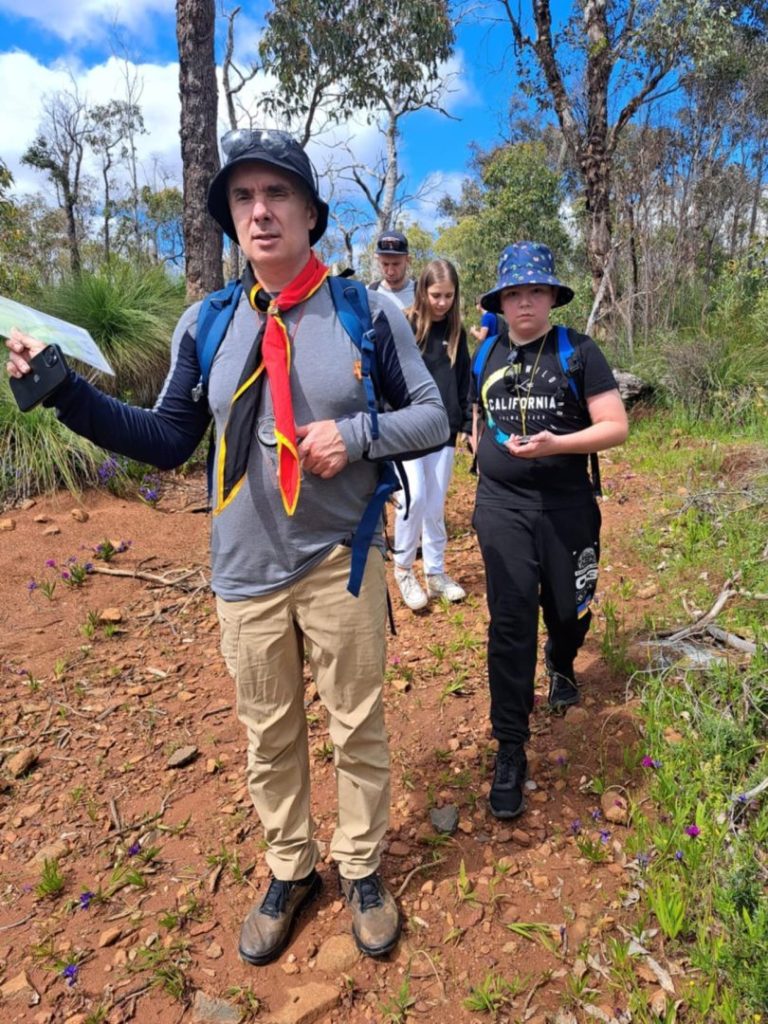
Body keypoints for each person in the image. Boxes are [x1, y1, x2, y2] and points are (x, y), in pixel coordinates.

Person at [5, 128, 449, 965]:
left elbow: (434, 418)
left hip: (337, 558)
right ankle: (291, 868)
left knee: (357, 724)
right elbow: (168, 437)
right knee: (267, 732)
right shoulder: (205, 323)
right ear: (230, 219)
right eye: (243, 198)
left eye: (277, 193)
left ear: (311, 212)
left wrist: (357, 436)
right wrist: (65, 392)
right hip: (243, 571)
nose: (260, 210)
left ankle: (359, 867)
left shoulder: (366, 312)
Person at [470, 241, 628, 820]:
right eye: (514, 293)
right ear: (502, 302)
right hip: (502, 507)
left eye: (535, 291)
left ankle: (561, 661)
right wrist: (484, 452)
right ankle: (511, 747)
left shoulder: (579, 352)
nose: (524, 303)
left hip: (566, 505)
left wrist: (557, 444)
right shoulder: (485, 352)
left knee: (569, 609)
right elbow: (476, 416)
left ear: (552, 296)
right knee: (510, 622)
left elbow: (615, 426)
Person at [393, 259, 471, 611]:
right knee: (414, 500)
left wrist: (467, 423)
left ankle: (436, 573)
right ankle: (404, 570)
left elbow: (464, 380)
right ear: (422, 290)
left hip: (444, 430)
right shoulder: (404, 325)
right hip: (409, 429)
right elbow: (388, 376)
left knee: (435, 504)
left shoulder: (456, 333)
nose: (442, 303)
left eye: (448, 296)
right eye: (436, 295)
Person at [368, 230, 416, 310]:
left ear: (408, 260)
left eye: (396, 264)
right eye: (385, 264)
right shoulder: (369, 293)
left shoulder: (421, 293)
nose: (390, 272)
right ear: (378, 260)